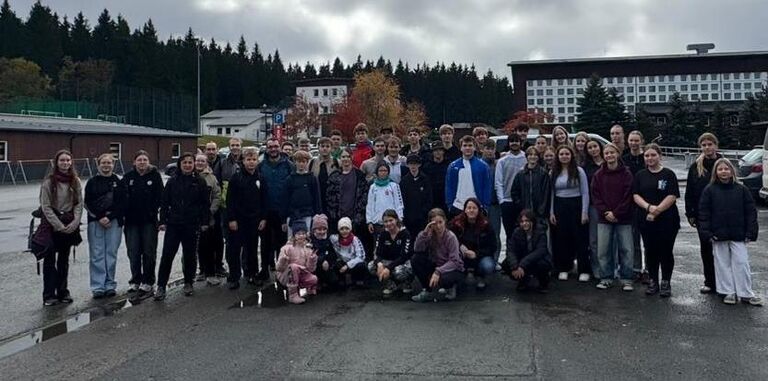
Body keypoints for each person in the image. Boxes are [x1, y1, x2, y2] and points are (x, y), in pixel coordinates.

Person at [698, 158, 762, 306]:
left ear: (732, 171)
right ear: (716, 172)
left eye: (726, 169)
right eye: (720, 169)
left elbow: (750, 211)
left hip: (738, 233)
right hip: (718, 234)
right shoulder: (709, 190)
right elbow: (704, 213)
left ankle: (746, 293)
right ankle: (728, 291)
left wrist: (750, 231)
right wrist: (707, 233)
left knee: (742, 263)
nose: (723, 172)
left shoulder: (741, 190)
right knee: (722, 264)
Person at [155, 153, 210, 300]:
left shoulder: (200, 182)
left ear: (194, 164)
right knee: (167, 255)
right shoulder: (172, 181)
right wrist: (162, 221)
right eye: (184, 162)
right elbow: (164, 202)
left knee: (190, 255)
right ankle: (161, 286)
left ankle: (188, 282)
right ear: (180, 164)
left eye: (190, 162)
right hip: (174, 224)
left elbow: (205, 204)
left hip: (191, 224)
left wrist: (204, 222)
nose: (187, 165)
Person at [632, 144, 680, 298]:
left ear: (660, 156)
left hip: (667, 220)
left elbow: (672, 195)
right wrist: (648, 207)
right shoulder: (640, 175)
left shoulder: (668, 174)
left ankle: (666, 281)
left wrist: (657, 210)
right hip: (646, 219)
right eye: (647, 156)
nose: (650, 158)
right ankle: (653, 280)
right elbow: (635, 195)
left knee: (666, 251)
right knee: (650, 251)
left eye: (653, 155)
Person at [39, 150, 83, 306]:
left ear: (71, 162)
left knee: (64, 261)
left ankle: (63, 291)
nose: (65, 163)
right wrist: (58, 225)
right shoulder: (48, 182)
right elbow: (45, 207)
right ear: (56, 162)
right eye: (62, 160)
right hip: (51, 226)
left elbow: (79, 203)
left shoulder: (75, 181)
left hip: (69, 224)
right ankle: (49, 295)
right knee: (50, 261)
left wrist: (75, 222)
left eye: (68, 160)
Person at [591, 143, 635, 291]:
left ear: (617, 154)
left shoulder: (626, 174)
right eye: (607, 153)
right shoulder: (598, 175)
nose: (609, 155)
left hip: (624, 218)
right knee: (603, 250)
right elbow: (595, 196)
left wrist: (616, 213)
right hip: (604, 218)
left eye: (612, 152)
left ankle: (627, 279)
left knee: (626, 249)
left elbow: (628, 196)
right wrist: (606, 212)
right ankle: (606, 278)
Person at [684, 132, 722, 294]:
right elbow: (690, 191)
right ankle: (710, 281)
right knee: (706, 249)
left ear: (716, 145)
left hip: (722, 214)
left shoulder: (722, 164)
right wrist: (690, 213)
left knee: (722, 250)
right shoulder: (696, 167)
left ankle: (725, 282)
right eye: (704, 145)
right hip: (702, 215)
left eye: (710, 144)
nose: (707, 147)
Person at [122, 150, 163, 298]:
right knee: (133, 252)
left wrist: (155, 214)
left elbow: (161, 197)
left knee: (148, 252)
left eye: (145, 160)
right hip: (131, 222)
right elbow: (122, 198)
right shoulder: (128, 177)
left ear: (148, 162)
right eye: (139, 160)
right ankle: (135, 280)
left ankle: (148, 281)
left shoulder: (155, 176)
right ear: (134, 162)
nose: (142, 162)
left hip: (149, 222)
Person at [85, 153, 126, 299]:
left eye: (109, 163)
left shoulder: (118, 181)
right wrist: (100, 217)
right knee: (97, 254)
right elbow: (88, 202)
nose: (106, 165)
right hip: (95, 221)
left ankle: (109, 284)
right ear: (98, 164)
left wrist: (110, 217)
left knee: (111, 253)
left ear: (113, 165)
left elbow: (123, 203)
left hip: (114, 221)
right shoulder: (92, 182)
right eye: (103, 163)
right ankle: (98, 286)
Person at [225, 147, 264, 289]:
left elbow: (264, 199)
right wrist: (231, 219)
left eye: (254, 159)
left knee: (252, 249)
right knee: (234, 250)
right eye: (248, 159)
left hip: (254, 220)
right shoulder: (236, 178)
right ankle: (234, 276)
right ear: (243, 161)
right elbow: (230, 200)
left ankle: (252, 273)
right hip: (238, 220)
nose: (251, 162)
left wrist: (263, 218)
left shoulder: (260, 177)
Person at [549, 145, 590, 282]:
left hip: (576, 205)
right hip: (560, 206)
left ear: (571, 155)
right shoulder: (553, 172)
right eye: (561, 154)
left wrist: (584, 212)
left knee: (580, 239)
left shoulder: (579, 171)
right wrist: (551, 212)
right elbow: (552, 193)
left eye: (567, 154)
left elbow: (585, 192)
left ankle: (583, 269)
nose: (564, 156)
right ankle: (564, 268)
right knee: (562, 238)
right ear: (558, 156)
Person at [258, 138, 295, 281]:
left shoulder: (289, 165)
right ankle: (264, 270)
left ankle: (282, 273)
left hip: (282, 211)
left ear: (279, 147)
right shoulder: (261, 166)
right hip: (266, 211)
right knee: (265, 243)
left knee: (282, 244)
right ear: (266, 148)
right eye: (270, 147)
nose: (273, 149)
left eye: (275, 146)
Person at [410, 208, 465, 302]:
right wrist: (424, 233)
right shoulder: (430, 234)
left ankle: (451, 287)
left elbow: (454, 261)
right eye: (435, 223)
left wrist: (438, 271)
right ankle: (427, 290)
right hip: (436, 264)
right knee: (415, 259)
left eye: (440, 222)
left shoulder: (450, 237)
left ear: (445, 221)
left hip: (453, 268)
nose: (438, 226)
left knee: (444, 279)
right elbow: (417, 249)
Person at [325, 149, 371, 252]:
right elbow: (329, 197)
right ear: (340, 158)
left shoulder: (359, 175)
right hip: (338, 216)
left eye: (348, 156)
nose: (345, 159)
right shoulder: (334, 176)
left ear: (352, 158)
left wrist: (359, 215)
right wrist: (334, 214)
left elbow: (364, 196)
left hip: (355, 217)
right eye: (343, 157)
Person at [449, 198, 497, 290]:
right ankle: (457, 280)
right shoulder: (456, 223)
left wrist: (476, 254)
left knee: (488, 266)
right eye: (469, 208)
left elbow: (493, 246)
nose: (471, 210)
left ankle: (480, 276)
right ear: (465, 210)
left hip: (480, 256)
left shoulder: (486, 224)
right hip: (461, 255)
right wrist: (460, 246)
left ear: (479, 210)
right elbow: (449, 238)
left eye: (474, 208)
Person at [214, 137, 243, 277]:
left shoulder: (247, 160)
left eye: (237, 145)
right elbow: (217, 183)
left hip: (245, 208)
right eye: (233, 145)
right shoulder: (222, 163)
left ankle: (247, 271)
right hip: (227, 208)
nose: (235, 147)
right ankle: (233, 273)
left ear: (241, 146)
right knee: (230, 242)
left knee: (246, 242)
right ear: (229, 146)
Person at [502, 210, 552, 293]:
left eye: (527, 221)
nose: (524, 223)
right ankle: (523, 279)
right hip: (523, 259)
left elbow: (540, 251)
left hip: (536, 260)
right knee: (506, 264)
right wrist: (515, 266)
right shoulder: (516, 232)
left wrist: (522, 265)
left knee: (543, 265)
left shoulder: (540, 232)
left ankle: (543, 282)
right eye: (522, 221)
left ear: (532, 221)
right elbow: (511, 250)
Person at [369, 210, 414, 297]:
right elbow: (377, 253)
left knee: (399, 271)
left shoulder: (405, 233)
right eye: (386, 221)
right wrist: (379, 264)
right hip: (389, 261)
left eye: (391, 220)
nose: (388, 223)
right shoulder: (382, 233)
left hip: (403, 262)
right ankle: (391, 284)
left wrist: (388, 268)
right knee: (371, 266)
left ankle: (407, 283)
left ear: (396, 220)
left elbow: (404, 256)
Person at [445, 135, 492, 218]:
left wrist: (485, 206)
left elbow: (487, 186)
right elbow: (449, 186)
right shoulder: (453, 166)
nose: (467, 148)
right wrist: (450, 204)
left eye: (470, 145)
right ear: (461, 148)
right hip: (457, 207)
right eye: (465, 145)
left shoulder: (483, 166)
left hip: (477, 207)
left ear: (474, 147)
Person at [622, 130, 646, 282]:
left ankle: (649, 269)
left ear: (641, 141)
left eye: (636, 140)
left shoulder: (647, 157)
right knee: (634, 240)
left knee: (649, 241)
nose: (634, 143)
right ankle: (636, 268)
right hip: (630, 205)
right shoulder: (624, 159)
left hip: (647, 203)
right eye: (631, 140)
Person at [194, 154, 222, 285]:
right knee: (194, 247)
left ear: (206, 163)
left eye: (202, 161)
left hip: (208, 217)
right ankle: (200, 271)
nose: (199, 163)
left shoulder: (212, 178)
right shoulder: (189, 176)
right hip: (191, 217)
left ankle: (210, 273)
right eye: (197, 160)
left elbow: (217, 195)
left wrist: (210, 211)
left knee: (208, 245)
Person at [276, 220, 318, 304]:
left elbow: (310, 269)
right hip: (286, 275)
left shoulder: (308, 249)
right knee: (293, 267)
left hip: (300, 274)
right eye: (298, 234)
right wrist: (283, 260)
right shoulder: (287, 248)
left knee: (314, 279)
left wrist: (312, 259)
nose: (301, 236)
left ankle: (308, 288)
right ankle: (293, 295)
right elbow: (279, 268)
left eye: (303, 233)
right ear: (294, 235)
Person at [511, 146, 551, 230]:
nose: (533, 157)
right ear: (526, 156)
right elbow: (514, 192)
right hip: (524, 213)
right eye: (530, 154)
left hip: (540, 214)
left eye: (535, 155)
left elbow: (546, 193)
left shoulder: (543, 173)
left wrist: (541, 211)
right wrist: (520, 206)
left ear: (538, 157)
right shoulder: (520, 174)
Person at [496, 133, 527, 240]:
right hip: (507, 201)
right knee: (509, 233)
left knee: (524, 232)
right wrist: (502, 200)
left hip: (523, 201)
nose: (514, 143)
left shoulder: (526, 158)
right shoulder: (502, 161)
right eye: (512, 141)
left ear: (520, 143)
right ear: (508, 143)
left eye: (516, 141)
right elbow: (498, 182)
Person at [284, 150, 321, 237]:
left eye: (303, 162)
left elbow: (316, 197)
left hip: (307, 213)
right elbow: (285, 199)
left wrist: (317, 214)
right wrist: (284, 218)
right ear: (295, 162)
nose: (301, 164)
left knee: (306, 237)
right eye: (299, 161)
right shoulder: (289, 179)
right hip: (292, 214)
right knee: (292, 239)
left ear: (307, 162)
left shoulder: (312, 178)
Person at [582, 138, 605, 278]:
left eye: (595, 146)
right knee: (594, 240)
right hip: (593, 206)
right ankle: (596, 268)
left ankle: (610, 267)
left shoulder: (608, 162)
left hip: (610, 206)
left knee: (609, 239)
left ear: (600, 147)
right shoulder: (585, 167)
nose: (593, 149)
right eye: (589, 148)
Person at [366, 162, 404, 239]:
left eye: (385, 170)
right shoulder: (373, 187)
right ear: (377, 172)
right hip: (377, 223)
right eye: (380, 171)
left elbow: (399, 203)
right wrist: (369, 221)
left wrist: (400, 219)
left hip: (392, 222)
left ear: (388, 172)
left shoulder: (394, 185)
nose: (383, 173)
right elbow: (370, 205)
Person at [400, 154, 432, 236]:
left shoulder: (425, 179)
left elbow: (429, 198)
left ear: (419, 165)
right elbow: (402, 200)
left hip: (422, 217)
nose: (413, 166)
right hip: (408, 218)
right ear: (407, 165)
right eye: (411, 164)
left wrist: (423, 212)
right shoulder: (404, 181)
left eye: (415, 163)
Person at [329, 217, 368, 286]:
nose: (344, 231)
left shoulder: (355, 239)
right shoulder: (334, 239)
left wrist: (348, 265)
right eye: (342, 229)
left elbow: (361, 256)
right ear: (338, 230)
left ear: (350, 229)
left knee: (361, 265)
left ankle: (358, 280)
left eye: (347, 228)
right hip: (341, 263)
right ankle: (342, 280)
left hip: (353, 263)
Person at [481, 140, 502, 264]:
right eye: (487, 148)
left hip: (495, 204)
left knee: (495, 233)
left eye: (492, 149)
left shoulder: (498, 164)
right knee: (481, 233)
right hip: (481, 205)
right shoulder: (479, 164)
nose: (489, 151)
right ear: (482, 149)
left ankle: (495, 259)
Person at [309, 137, 339, 215]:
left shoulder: (337, 162)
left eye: (327, 146)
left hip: (333, 202)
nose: (325, 149)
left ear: (331, 148)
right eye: (322, 146)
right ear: (318, 148)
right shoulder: (312, 163)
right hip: (316, 199)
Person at [309, 214, 339, 290]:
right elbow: (310, 255)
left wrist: (328, 261)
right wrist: (322, 260)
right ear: (314, 229)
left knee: (334, 282)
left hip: (328, 265)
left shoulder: (329, 239)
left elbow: (333, 253)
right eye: (319, 229)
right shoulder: (310, 240)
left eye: (324, 229)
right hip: (315, 266)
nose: (322, 232)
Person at [423, 142, 449, 213]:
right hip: (431, 198)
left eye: (440, 150)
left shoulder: (449, 165)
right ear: (432, 152)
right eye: (435, 150)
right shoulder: (426, 167)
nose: (438, 152)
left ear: (443, 151)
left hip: (445, 198)